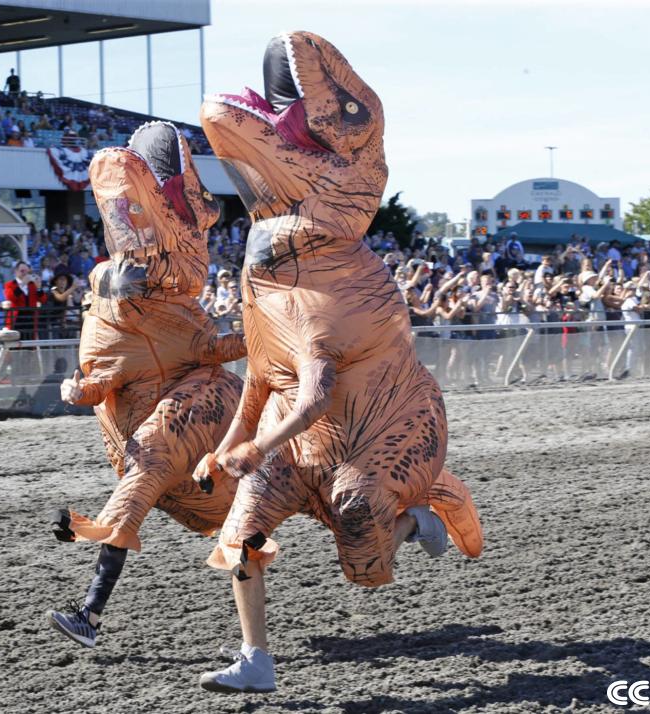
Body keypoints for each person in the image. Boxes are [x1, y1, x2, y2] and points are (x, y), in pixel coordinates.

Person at [194, 32, 482, 694]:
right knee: (243, 530)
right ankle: (255, 658)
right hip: (300, 441)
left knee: (363, 557)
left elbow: (316, 390)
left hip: (368, 430)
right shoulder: (265, 276)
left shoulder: (331, 280)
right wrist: (237, 445)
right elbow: (267, 374)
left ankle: (417, 520)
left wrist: (256, 442)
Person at [47, 122, 247, 649]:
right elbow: (101, 379)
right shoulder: (136, 307)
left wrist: (261, 334)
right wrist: (77, 391)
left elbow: (209, 350)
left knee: (150, 470)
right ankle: (92, 612)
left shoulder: (169, 312)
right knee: (151, 475)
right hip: (158, 440)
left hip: (181, 434)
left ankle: (90, 613)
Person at [3, 260, 46, 337]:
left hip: (30, 318)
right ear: (16, 272)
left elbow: (43, 300)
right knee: (16, 343)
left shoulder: (32, 285)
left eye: (27, 271)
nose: (25, 273)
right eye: (22, 271)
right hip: (17, 318)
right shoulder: (10, 284)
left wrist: (39, 287)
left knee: (29, 343)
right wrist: (22, 284)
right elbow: (11, 297)